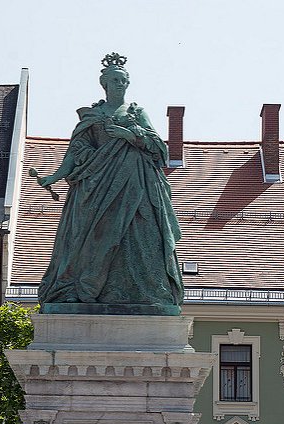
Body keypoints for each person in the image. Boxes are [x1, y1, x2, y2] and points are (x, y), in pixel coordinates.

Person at [36, 53, 183, 309]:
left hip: (136, 185)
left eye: (123, 80)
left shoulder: (137, 113)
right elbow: (75, 151)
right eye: (114, 80)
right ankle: (78, 290)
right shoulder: (92, 115)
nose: (119, 84)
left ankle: (147, 293)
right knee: (89, 237)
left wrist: (129, 135)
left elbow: (160, 150)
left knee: (139, 238)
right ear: (104, 84)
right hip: (96, 188)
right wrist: (54, 176)